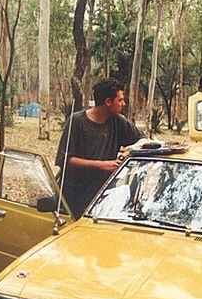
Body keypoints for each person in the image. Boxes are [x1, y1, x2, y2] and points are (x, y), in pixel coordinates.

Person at [55, 78, 144, 219]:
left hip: (103, 201)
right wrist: (101, 165)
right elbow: (64, 160)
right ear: (108, 102)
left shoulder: (118, 122)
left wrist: (129, 152)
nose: (123, 104)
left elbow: (142, 141)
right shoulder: (77, 122)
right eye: (120, 100)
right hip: (72, 201)